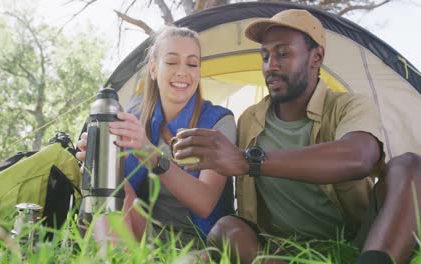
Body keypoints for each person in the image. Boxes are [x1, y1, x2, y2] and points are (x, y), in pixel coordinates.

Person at [172, 9, 421, 264]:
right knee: (227, 229)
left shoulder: (348, 106)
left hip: (357, 240)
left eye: (283, 53)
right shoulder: (249, 119)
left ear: (316, 57)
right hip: (283, 250)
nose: (271, 66)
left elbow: (360, 158)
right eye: (265, 56)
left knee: (410, 166)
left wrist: (250, 161)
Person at [76, 26, 236, 246]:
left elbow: (205, 202)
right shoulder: (134, 117)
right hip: (145, 233)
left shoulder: (220, 121)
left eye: (192, 63)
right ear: (153, 68)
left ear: (199, 71)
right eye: (171, 62)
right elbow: (121, 190)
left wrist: (149, 153)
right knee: (110, 187)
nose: (182, 71)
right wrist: (97, 161)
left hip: (199, 240)